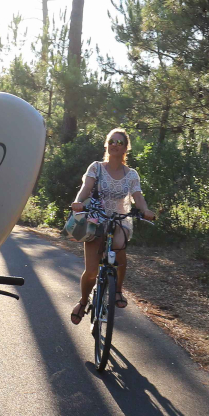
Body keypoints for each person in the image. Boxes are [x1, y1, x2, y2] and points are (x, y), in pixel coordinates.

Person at [69, 128, 156, 325]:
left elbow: (137, 197)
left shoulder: (131, 174)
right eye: (112, 141)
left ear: (126, 148)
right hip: (96, 220)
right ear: (106, 145)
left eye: (119, 142)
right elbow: (85, 189)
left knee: (118, 245)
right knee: (91, 271)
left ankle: (117, 290)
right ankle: (83, 302)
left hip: (120, 219)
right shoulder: (96, 168)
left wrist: (145, 210)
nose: (115, 145)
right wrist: (78, 202)